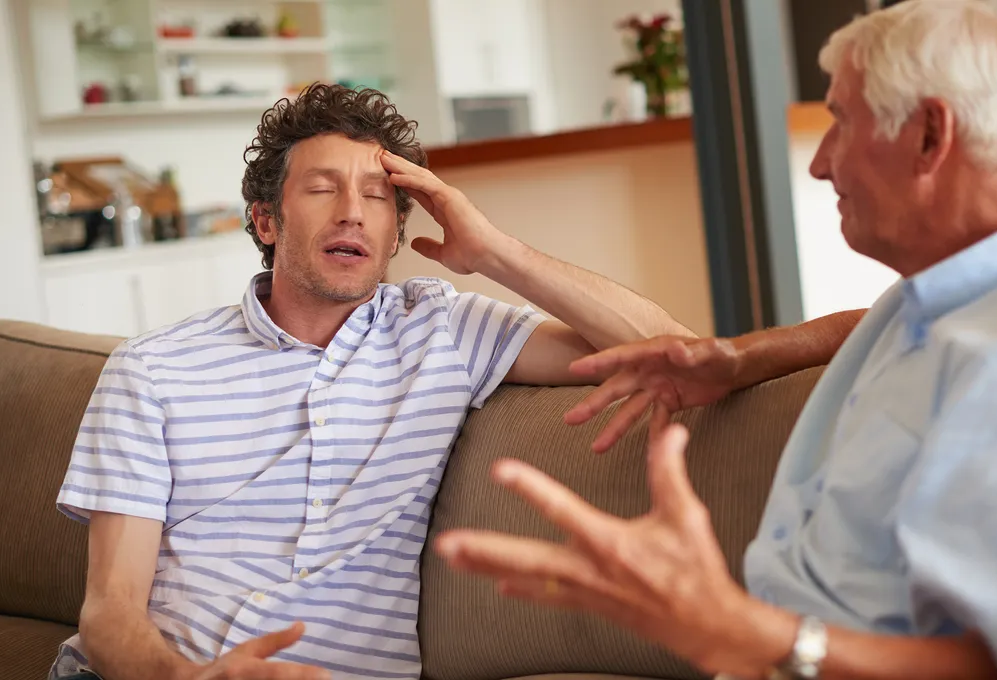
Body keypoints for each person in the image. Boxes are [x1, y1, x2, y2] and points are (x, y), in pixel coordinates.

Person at [434, 1, 997, 678]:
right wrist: (739, 357)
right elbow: (885, 326)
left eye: (842, 121)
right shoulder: (959, 299)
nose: (820, 160)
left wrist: (737, 627)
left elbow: (985, 667)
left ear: (931, 135)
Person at [48, 84, 850, 680]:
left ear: (402, 227)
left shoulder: (444, 329)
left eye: (378, 196)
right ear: (266, 221)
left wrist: (494, 250)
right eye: (323, 189)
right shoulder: (153, 370)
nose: (353, 213)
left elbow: (670, 350)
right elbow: (110, 614)